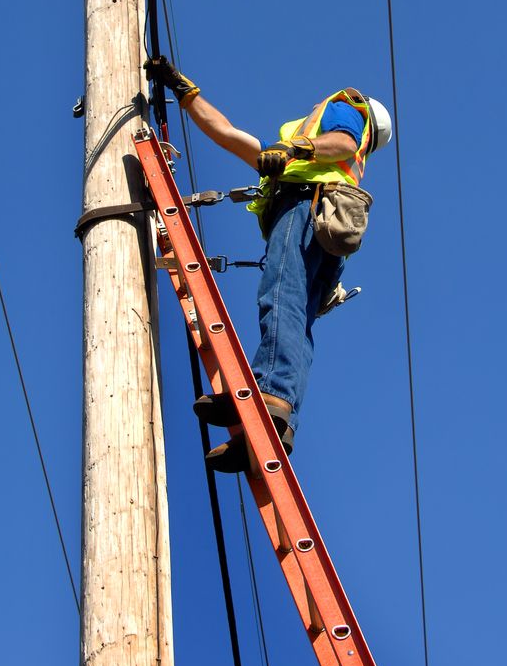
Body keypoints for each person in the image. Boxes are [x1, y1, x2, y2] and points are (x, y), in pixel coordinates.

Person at [144, 56, 392, 472]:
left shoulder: (347, 106)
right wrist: (186, 94)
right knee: (295, 317)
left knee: (280, 298)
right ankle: (272, 421)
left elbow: (344, 143)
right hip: (324, 225)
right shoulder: (300, 159)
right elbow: (231, 136)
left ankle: (271, 395)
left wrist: (296, 146)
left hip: (306, 208)